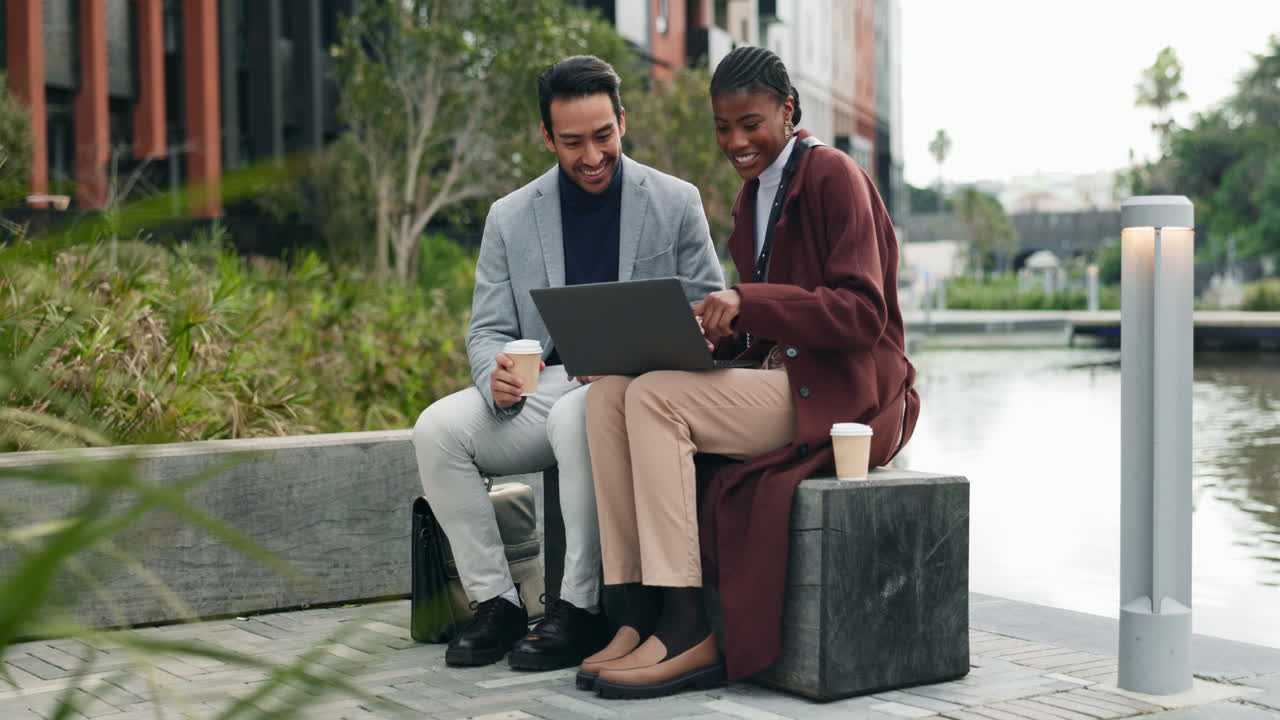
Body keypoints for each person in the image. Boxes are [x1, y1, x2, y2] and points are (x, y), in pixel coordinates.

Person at [579, 46, 920, 699]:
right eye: (722, 126)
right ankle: (634, 614)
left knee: (654, 400)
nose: (735, 141)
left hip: (844, 395)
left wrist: (748, 302)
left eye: (751, 123)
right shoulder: (752, 197)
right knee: (613, 395)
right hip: (778, 375)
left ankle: (686, 627)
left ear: (788, 110)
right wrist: (684, 340)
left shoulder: (834, 176)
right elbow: (764, 328)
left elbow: (862, 314)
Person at [411, 55, 724, 670]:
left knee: (580, 413)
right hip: (539, 389)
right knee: (436, 431)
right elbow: (487, 329)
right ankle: (496, 603)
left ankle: (577, 610)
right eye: (573, 141)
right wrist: (493, 374)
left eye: (603, 136)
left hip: (630, 389)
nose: (591, 156)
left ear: (622, 122)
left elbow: (707, 316)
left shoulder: (676, 201)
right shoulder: (508, 216)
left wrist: (642, 358)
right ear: (546, 137)